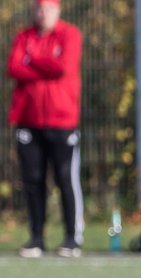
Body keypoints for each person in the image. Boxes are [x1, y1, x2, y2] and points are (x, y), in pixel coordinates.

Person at [7, 0, 83, 258]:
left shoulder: (70, 34)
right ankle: (36, 237)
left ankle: (72, 238)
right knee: (33, 180)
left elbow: (64, 67)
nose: (43, 14)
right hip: (28, 121)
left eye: (48, 9)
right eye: (39, 9)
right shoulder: (23, 36)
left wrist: (33, 60)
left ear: (58, 10)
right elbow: (14, 67)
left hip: (62, 121)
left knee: (65, 178)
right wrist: (46, 63)